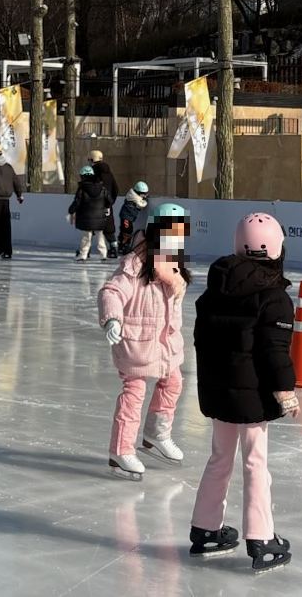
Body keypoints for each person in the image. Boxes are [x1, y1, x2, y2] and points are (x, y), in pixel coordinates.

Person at [189, 211, 298, 572]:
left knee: (220, 458)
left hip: (218, 393)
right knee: (255, 463)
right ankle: (261, 538)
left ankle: (206, 530)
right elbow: (274, 353)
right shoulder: (274, 298)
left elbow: (202, 341)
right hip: (252, 397)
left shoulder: (216, 288)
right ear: (277, 248)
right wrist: (285, 392)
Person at [98, 201, 192, 481]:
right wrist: (112, 319)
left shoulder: (171, 266)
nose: (175, 241)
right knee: (134, 395)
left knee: (173, 383)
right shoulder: (135, 266)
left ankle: (155, 435)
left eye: (179, 236)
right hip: (137, 345)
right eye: (170, 235)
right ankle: (121, 450)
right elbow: (110, 292)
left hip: (165, 347)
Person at [69, 165, 114, 262]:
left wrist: (71, 211)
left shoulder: (82, 189)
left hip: (86, 217)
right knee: (100, 236)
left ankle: (83, 254)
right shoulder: (102, 188)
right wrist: (105, 207)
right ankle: (103, 254)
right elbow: (109, 200)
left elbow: (77, 202)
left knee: (86, 237)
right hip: (100, 217)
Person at [113, 181, 150, 259]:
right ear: (138, 193)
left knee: (125, 231)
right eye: (143, 194)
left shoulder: (133, 194)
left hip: (127, 216)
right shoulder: (134, 197)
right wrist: (145, 200)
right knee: (127, 231)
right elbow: (141, 204)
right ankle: (124, 245)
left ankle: (122, 244)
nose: (144, 195)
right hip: (126, 217)